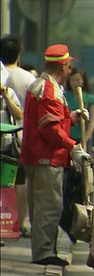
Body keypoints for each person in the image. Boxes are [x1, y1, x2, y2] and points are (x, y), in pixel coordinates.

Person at [21, 44, 90, 266]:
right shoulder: (49, 90)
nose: (71, 70)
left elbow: (52, 120)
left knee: (41, 207)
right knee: (49, 207)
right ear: (62, 66)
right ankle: (44, 254)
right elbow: (50, 129)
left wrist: (72, 116)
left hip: (37, 156)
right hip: (46, 157)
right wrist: (73, 146)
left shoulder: (42, 86)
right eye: (69, 66)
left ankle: (44, 250)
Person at [0, 35, 36, 238]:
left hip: (6, 136)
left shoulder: (3, 77)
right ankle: (19, 222)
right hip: (21, 136)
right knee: (19, 180)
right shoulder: (28, 79)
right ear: (18, 55)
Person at [64, 68, 94, 145]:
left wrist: (85, 138)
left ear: (83, 81)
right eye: (73, 80)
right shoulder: (64, 97)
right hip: (68, 137)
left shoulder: (90, 98)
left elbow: (93, 120)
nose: (76, 83)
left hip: (84, 136)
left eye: (78, 80)